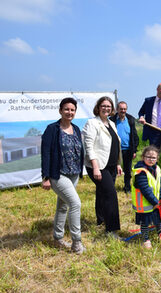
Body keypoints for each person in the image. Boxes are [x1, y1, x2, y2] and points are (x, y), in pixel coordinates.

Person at [41, 97, 85, 254]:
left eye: (72, 110)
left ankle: (58, 238)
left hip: (73, 174)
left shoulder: (76, 129)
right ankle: (76, 242)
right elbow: (45, 153)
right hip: (57, 175)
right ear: (60, 110)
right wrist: (45, 177)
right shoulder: (52, 129)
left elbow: (78, 151)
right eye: (66, 109)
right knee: (75, 204)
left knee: (63, 206)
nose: (69, 112)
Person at [83, 96, 123, 239]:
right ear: (98, 108)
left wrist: (118, 164)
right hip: (98, 166)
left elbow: (115, 145)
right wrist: (95, 167)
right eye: (103, 106)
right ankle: (111, 230)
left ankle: (101, 219)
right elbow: (89, 146)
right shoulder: (92, 123)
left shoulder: (111, 123)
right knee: (111, 195)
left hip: (111, 165)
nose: (106, 108)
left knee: (102, 192)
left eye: (108, 106)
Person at [132, 146, 161, 249]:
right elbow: (145, 189)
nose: (151, 160)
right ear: (143, 157)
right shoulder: (140, 171)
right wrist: (154, 202)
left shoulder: (157, 169)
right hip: (145, 204)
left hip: (155, 202)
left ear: (157, 159)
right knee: (145, 223)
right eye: (149, 157)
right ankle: (145, 239)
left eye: (154, 158)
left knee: (159, 219)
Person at [110, 101, 139, 193]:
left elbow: (134, 135)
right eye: (121, 109)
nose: (123, 111)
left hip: (128, 150)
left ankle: (127, 187)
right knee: (113, 170)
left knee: (128, 170)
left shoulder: (130, 119)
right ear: (117, 109)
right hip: (115, 150)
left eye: (124, 109)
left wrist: (134, 150)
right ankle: (111, 188)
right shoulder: (111, 120)